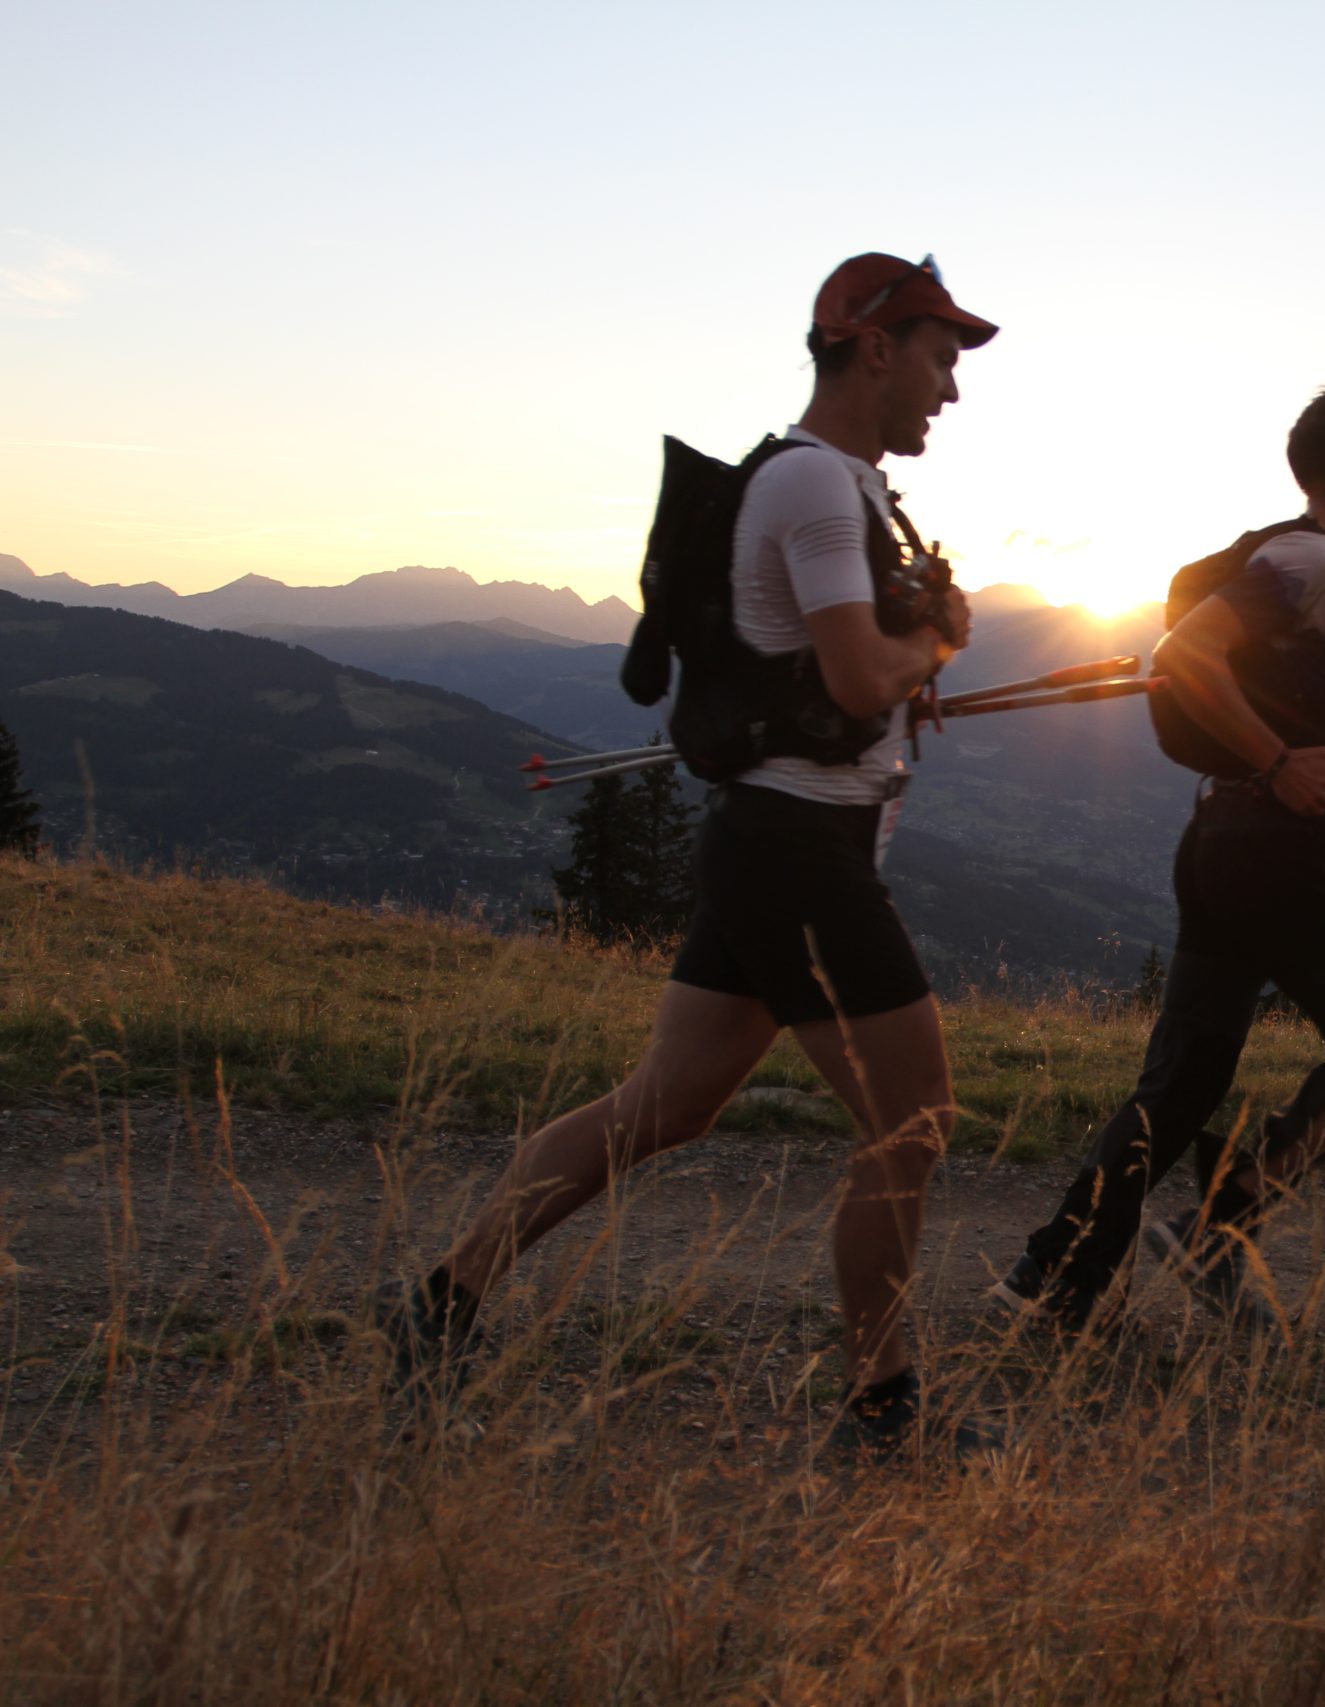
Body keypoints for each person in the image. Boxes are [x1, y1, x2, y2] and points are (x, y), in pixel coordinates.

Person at [379, 252, 1000, 1461]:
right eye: (939, 358)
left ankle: (439, 1307)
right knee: (913, 1121)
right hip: (799, 855)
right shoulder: (817, 487)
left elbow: (839, 680)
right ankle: (883, 1411)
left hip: (768, 845)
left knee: (663, 1106)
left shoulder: (842, 487)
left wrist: (911, 656)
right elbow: (856, 677)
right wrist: (932, 644)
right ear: (874, 348)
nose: (951, 388)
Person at [995, 385, 1325, 1332]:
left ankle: (1052, 1276)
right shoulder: (1306, 558)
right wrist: (1278, 762)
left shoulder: (1323, 574)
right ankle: (1219, 1229)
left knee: (1182, 1084)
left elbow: (1285, 677)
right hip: (1274, 850)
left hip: (1224, 843)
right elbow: (1187, 652)